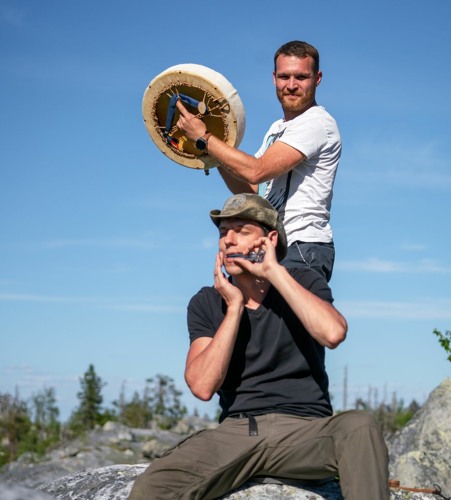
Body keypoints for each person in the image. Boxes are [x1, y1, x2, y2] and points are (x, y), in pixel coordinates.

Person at [128, 193, 389, 500]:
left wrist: (275, 273)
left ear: (270, 239)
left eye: (241, 230)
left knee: (360, 427)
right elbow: (202, 385)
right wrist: (235, 308)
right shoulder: (208, 302)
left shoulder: (302, 281)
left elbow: (332, 333)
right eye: (224, 232)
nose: (228, 240)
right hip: (239, 432)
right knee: (152, 487)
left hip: (305, 433)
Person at [175, 40, 341, 282]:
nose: (291, 85)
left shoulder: (317, 122)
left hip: (302, 247)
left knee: (292, 321)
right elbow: (252, 188)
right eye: (284, 77)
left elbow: (256, 171)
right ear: (274, 78)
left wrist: (204, 137)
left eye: (301, 77)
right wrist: (213, 154)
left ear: (317, 78)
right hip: (269, 249)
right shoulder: (277, 128)